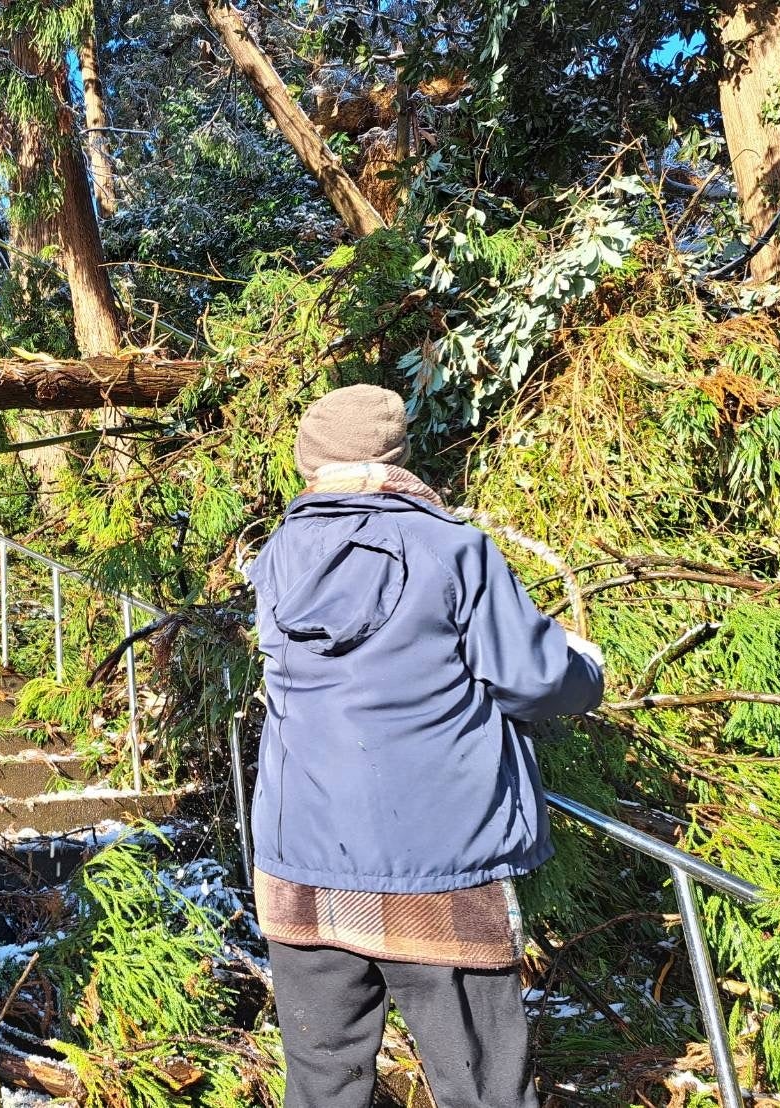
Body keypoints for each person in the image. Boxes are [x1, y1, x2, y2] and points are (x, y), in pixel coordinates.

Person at [246, 384, 605, 1108]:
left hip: (301, 868)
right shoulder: (452, 549)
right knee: (481, 1089)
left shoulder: (278, 555)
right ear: (394, 454)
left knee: (321, 1085)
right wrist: (583, 664)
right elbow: (534, 682)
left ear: (308, 461)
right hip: (436, 870)